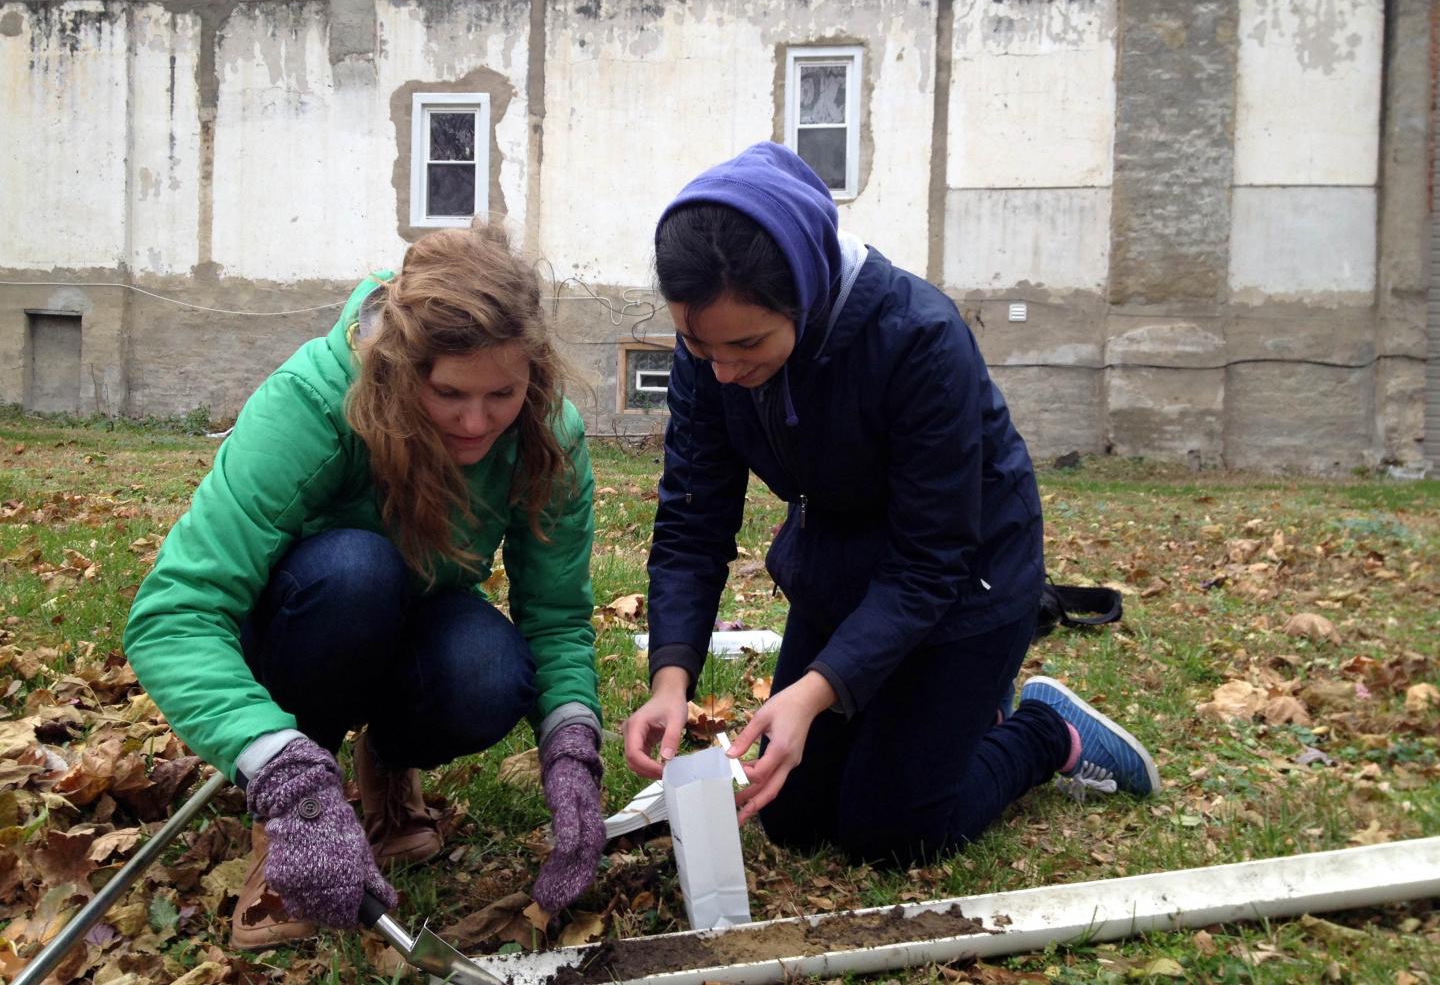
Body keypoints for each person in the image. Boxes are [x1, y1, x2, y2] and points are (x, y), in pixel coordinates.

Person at [622, 143, 1159, 865]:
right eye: (696, 344)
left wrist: (811, 695)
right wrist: (672, 675)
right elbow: (693, 519)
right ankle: (952, 717)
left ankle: (1040, 730)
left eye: (746, 344)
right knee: (792, 815)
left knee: (891, 832)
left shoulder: (919, 340)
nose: (722, 369)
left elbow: (931, 560)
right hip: (842, 571)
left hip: (969, 581)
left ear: (805, 294)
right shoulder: (710, 355)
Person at [125, 223, 605, 949]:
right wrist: (277, 769)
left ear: (534, 372)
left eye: (502, 393)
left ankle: (385, 765)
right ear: (401, 367)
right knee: (355, 571)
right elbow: (174, 613)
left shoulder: (547, 435)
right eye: (448, 393)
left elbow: (558, 617)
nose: (477, 422)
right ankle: (295, 805)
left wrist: (572, 749)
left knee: (490, 670)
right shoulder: (313, 402)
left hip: (411, 619)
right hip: (300, 625)